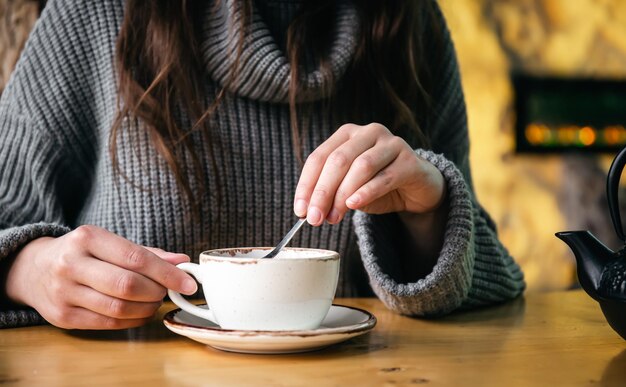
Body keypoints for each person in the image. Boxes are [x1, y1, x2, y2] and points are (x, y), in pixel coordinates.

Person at [0, 0, 525, 330]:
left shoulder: (412, 25)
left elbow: (495, 278)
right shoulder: (90, 16)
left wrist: (430, 209)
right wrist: (26, 269)